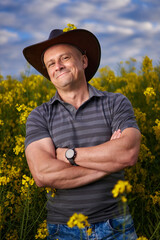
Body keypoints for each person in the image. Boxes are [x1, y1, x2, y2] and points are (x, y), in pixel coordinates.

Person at [23, 26, 141, 240]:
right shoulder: (39, 116)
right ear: (49, 73)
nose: (58, 66)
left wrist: (68, 155)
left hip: (116, 225)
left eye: (65, 58)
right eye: (51, 63)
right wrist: (110, 165)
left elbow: (128, 153)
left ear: (84, 61)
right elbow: (42, 174)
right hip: (63, 230)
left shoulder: (116, 103)